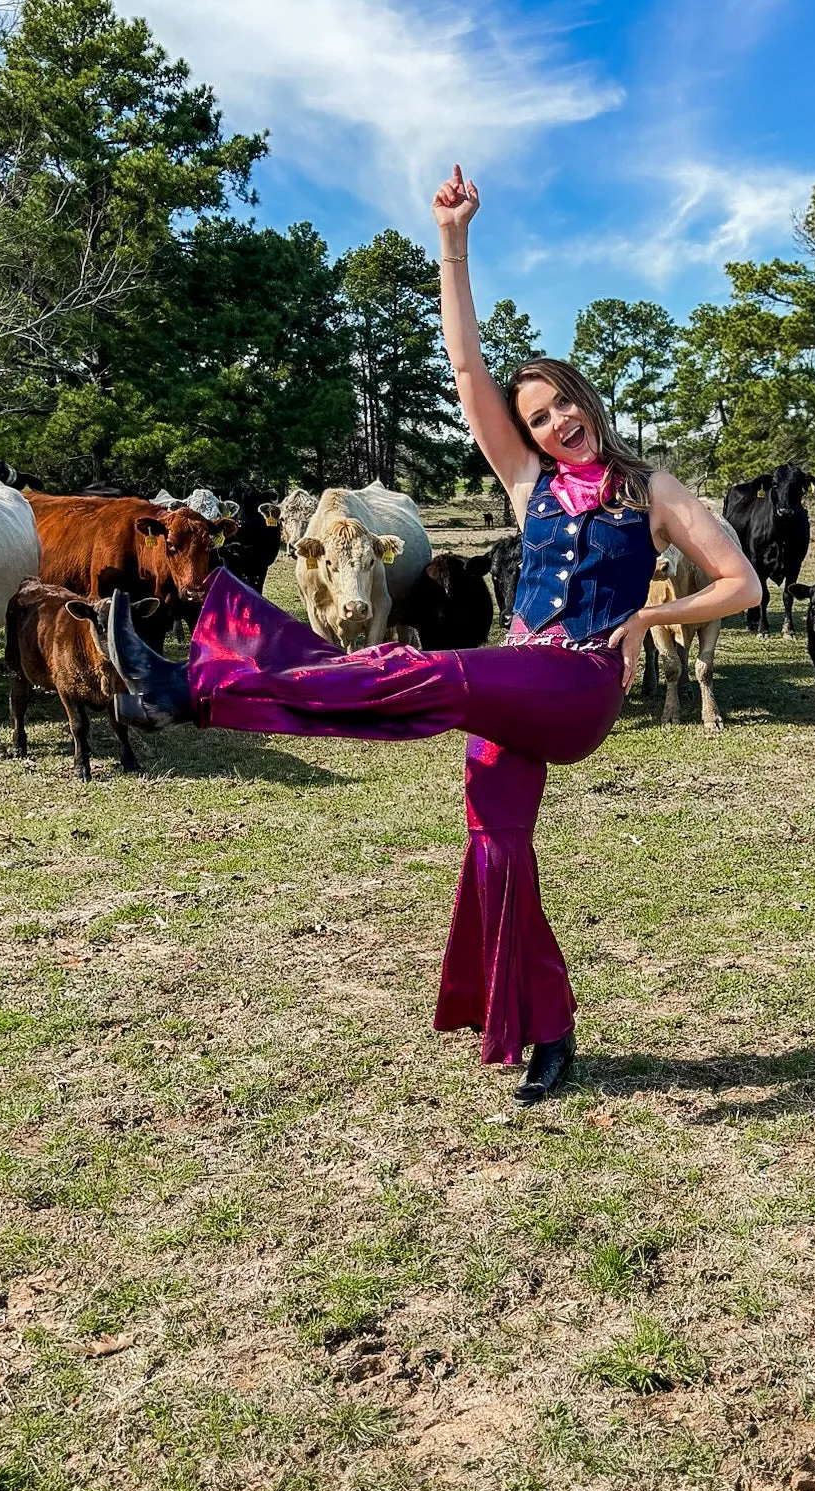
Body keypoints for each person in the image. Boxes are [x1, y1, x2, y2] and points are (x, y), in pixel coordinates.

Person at [104, 163, 760, 1104]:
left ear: (586, 400)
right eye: (537, 418)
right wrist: (452, 242)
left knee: (423, 669)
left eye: (563, 404)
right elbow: (465, 366)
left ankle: (196, 687)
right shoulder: (531, 486)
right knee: (497, 852)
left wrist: (652, 613)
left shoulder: (650, 491)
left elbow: (740, 582)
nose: (555, 422)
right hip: (508, 685)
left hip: (575, 688)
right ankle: (551, 1032)